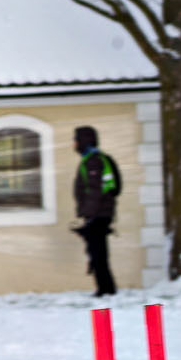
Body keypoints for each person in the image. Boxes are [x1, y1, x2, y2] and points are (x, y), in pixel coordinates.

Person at [70, 125, 121, 297]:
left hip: (98, 215)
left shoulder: (93, 161)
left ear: (84, 141)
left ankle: (105, 289)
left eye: (76, 140)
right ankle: (106, 288)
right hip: (100, 214)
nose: (74, 144)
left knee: (97, 253)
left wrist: (89, 216)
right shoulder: (93, 159)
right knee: (98, 252)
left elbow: (95, 191)